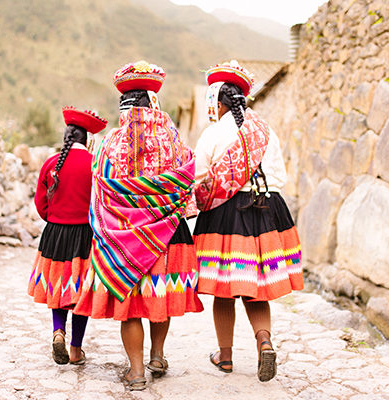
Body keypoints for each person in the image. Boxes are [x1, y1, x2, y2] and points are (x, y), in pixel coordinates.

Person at [74, 60, 203, 391]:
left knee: (130, 303)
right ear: (153, 101)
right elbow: (187, 180)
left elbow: (100, 188)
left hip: (123, 237)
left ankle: (136, 371)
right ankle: (157, 354)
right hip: (170, 233)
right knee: (160, 296)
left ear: (123, 105)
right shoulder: (174, 139)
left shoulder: (109, 142)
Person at [193, 60, 303, 382]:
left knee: (224, 289)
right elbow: (279, 177)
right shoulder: (266, 131)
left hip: (225, 215)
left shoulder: (213, 133)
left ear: (219, 101)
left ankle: (224, 357)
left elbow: (200, 181)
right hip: (268, 212)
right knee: (257, 288)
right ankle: (264, 342)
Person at [28, 107, 108, 366]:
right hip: (85, 235)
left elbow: (41, 204)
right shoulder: (96, 164)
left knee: (58, 285)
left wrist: (55, 221)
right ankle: (75, 350)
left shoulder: (51, 164)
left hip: (55, 234)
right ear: (87, 140)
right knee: (80, 291)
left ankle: (58, 331)